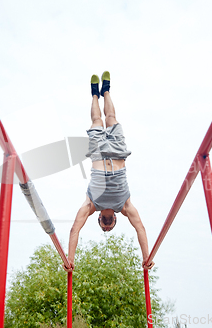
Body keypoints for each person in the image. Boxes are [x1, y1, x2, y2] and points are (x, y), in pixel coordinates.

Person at [63, 71, 155, 272]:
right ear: (115, 219)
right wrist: (147, 257)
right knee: (111, 117)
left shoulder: (90, 205)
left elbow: (74, 229)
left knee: (97, 120)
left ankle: (95, 94)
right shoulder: (125, 205)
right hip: (119, 152)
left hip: (98, 153)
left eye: (103, 227)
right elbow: (140, 228)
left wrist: (70, 259)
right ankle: (106, 91)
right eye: (109, 226)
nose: (106, 226)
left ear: (98, 219)